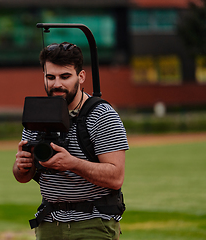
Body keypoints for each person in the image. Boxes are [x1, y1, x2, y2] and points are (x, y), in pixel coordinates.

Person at [13, 42, 129, 240]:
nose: (57, 84)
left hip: (93, 224)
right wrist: (21, 166)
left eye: (65, 77)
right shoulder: (37, 114)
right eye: (50, 77)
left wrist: (72, 164)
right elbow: (23, 177)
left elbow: (116, 177)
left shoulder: (102, 115)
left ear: (81, 76)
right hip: (49, 223)